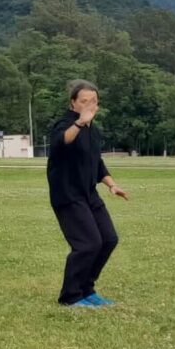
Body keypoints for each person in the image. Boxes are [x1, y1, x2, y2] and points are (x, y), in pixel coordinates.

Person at [47, 80, 129, 307]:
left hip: (88, 193)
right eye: (84, 101)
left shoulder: (95, 130)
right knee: (87, 244)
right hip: (67, 195)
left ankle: (86, 289)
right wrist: (80, 123)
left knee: (109, 239)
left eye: (93, 101)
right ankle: (70, 296)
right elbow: (60, 143)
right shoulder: (65, 124)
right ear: (73, 103)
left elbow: (96, 162)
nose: (89, 105)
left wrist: (112, 184)